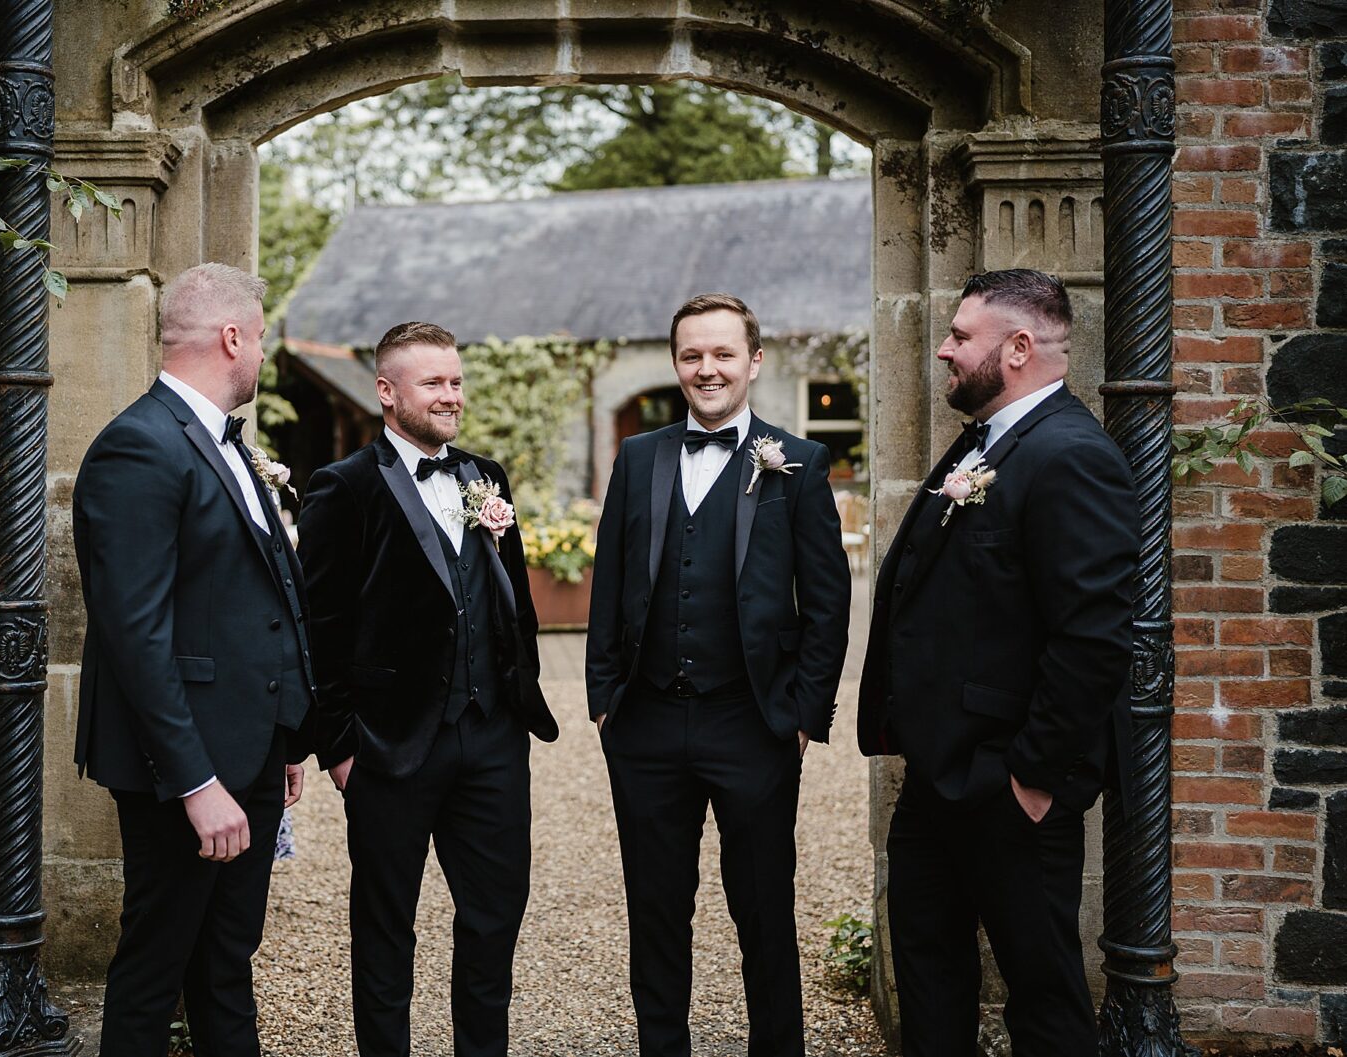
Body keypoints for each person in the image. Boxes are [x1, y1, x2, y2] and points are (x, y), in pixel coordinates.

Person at [857, 269, 1139, 1057]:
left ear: (1018, 347)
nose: (944, 350)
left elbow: (1093, 636)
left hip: (1008, 788)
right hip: (938, 781)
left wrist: (1032, 777)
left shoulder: (1070, 454)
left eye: (959, 336)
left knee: (1042, 998)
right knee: (930, 980)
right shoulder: (991, 440)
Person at [586, 293, 851, 1057]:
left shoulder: (797, 462)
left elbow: (827, 600)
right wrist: (606, 700)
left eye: (723, 354)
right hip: (646, 725)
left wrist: (804, 713)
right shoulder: (639, 457)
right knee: (657, 911)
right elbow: (609, 580)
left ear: (754, 361)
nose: (708, 369)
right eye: (692, 355)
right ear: (676, 363)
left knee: (764, 909)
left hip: (755, 721)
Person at [72, 262, 316, 1057]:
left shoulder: (221, 444)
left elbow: (251, 599)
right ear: (233, 335)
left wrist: (282, 734)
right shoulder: (137, 448)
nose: (262, 356)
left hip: (248, 751)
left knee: (226, 963)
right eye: (261, 337)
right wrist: (197, 782)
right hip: (186, 770)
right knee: (155, 967)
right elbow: (134, 635)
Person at [297, 321, 558, 1057]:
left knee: (493, 918)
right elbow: (321, 625)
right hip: (388, 748)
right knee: (385, 929)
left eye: (456, 381)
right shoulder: (341, 488)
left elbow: (516, 603)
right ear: (387, 392)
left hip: (492, 740)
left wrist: (518, 695)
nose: (452, 396)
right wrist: (340, 746)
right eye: (434, 383)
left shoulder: (487, 479)